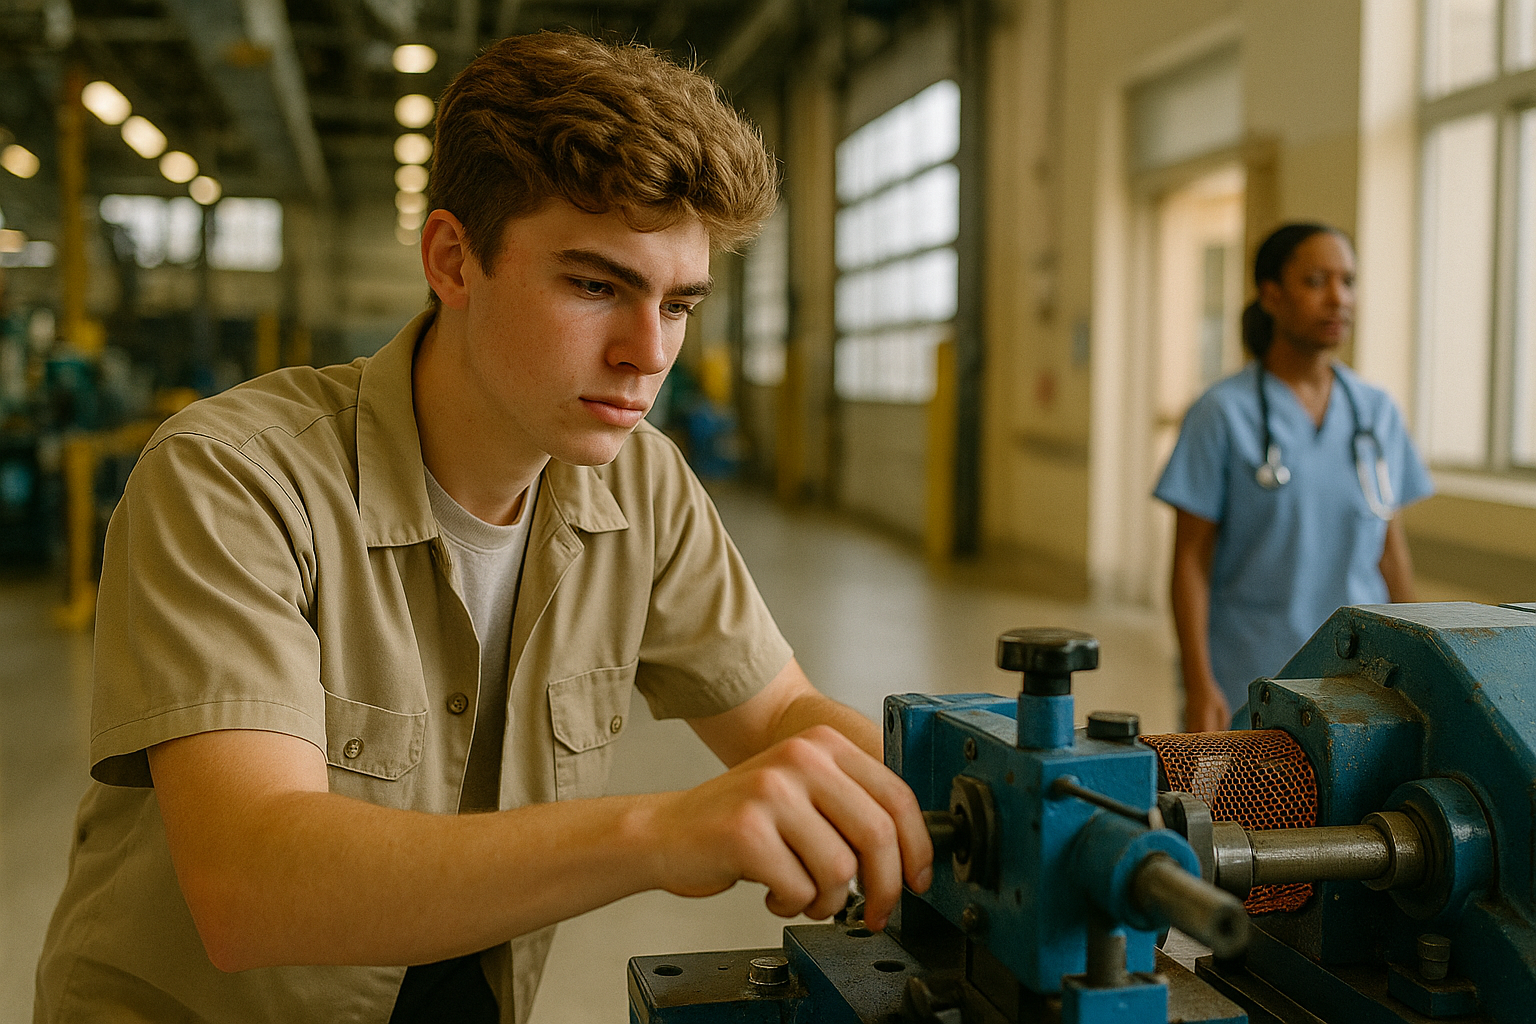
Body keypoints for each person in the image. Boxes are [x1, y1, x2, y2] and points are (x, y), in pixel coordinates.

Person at [34, 32, 932, 1024]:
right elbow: (251, 884)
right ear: (454, 260)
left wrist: (963, 798)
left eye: (678, 303)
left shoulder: (646, 487)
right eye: (596, 286)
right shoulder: (234, 479)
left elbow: (778, 717)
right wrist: (659, 833)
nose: (648, 352)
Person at [1154, 223, 1433, 732]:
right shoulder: (1221, 413)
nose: (1338, 298)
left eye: (1347, 281)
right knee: (1239, 809)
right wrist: (1198, 684)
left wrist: (1421, 664)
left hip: (1361, 681)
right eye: (1316, 281)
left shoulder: (1376, 412)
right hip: (1250, 674)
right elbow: (1189, 560)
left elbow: (1389, 547)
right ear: (1271, 295)